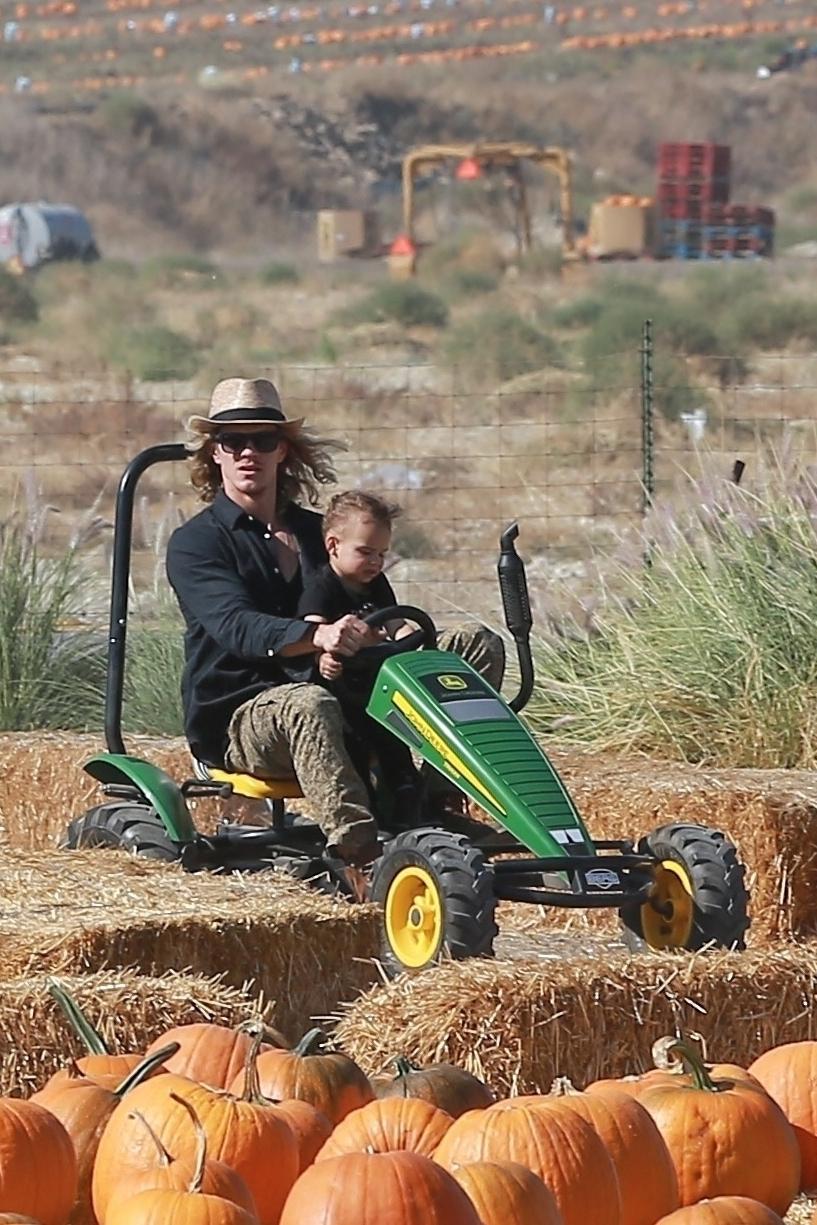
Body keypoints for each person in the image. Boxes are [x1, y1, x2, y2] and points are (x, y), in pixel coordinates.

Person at [166, 375, 505, 872]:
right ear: (214, 452)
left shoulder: (317, 532)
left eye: (262, 440)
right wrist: (316, 635)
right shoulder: (196, 543)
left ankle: (432, 804)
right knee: (310, 703)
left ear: (283, 450)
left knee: (475, 645)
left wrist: (388, 635)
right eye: (233, 441)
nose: (247, 453)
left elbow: (365, 596)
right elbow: (237, 626)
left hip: (344, 685)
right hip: (246, 713)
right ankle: (359, 851)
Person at [291, 489, 423, 828]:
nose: (376, 562)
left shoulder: (377, 584)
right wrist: (325, 659)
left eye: (381, 554)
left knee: (395, 738)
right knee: (356, 747)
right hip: (341, 692)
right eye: (365, 552)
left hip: (376, 688)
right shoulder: (322, 587)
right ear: (333, 546)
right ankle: (367, 825)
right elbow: (311, 638)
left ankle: (411, 802)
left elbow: (397, 624)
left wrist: (420, 646)